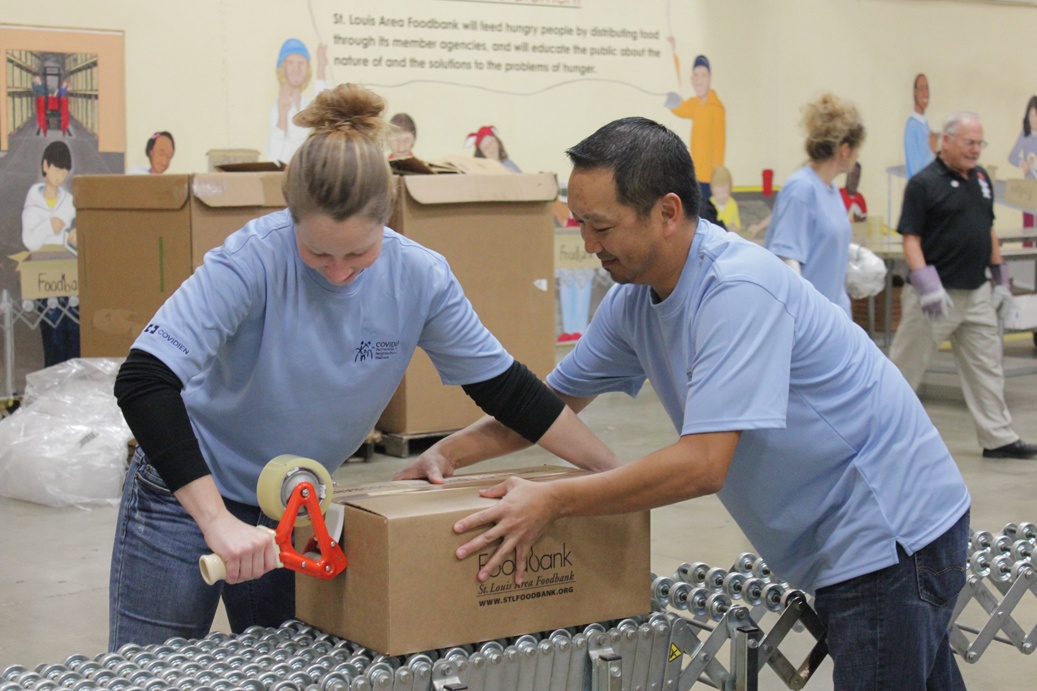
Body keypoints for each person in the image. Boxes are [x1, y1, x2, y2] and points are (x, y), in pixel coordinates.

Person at [396, 116, 972, 690]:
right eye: (581, 224)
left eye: (601, 226)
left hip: (891, 533)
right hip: (857, 536)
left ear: (668, 212)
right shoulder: (634, 302)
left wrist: (553, 500)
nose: (589, 244)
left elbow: (703, 464)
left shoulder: (735, 291)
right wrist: (451, 452)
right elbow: (546, 406)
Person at [107, 84, 618, 650]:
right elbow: (143, 380)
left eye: (358, 254)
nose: (338, 273)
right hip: (183, 494)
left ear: (388, 219)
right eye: (319, 254)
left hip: (293, 507)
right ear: (291, 218)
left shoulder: (419, 279)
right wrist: (215, 521)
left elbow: (510, 392)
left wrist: (612, 475)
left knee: (287, 670)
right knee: (149, 671)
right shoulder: (253, 259)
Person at [889, 111, 1037, 460]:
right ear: (946, 141)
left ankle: (998, 438)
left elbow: (988, 230)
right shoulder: (923, 183)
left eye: (979, 143)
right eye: (969, 143)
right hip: (934, 298)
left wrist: (1000, 280)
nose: (975, 150)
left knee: (987, 368)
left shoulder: (981, 178)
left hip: (977, 293)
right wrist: (928, 284)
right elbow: (911, 239)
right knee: (903, 368)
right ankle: (878, 434)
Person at [764, 93, 865, 316]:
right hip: (807, 325)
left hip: (834, 318)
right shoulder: (801, 188)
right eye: (857, 149)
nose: (858, 156)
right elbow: (787, 260)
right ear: (845, 149)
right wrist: (805, 319)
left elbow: (824, 243)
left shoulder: (831, 191)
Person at [21, 140, 80, 367]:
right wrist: (48, 226)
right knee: (53, 332)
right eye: (57, 168)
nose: (60, 175)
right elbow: (30, 240)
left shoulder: (69, 202)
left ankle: (74, 381)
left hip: (69, 277)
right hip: (45, 279)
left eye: (64, 170)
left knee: (73, 330)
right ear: (45, 166)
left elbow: (72, 237)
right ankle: (54, 384)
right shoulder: (33, 201)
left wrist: (73, 234)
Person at [665, 44, 725, 199]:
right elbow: (680, 107)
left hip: (709, 181)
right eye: (695, 76)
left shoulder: (716, 108)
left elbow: (719, 147)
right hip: (695, 176)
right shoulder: (696, 104)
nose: (699, 80)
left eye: (703, 75)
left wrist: (716, 181)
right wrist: (672, 53)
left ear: (709, 78)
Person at [267, 38, 328, 166]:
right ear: (282, 68)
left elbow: (321, 106)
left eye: (301, 64)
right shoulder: (278, 107)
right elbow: (274, 157)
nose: (296, 69)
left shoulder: (307, 104)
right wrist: (282, 117)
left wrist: (321, 68)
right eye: (290, 63)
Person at [1007, 95, 1037, 230]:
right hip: (1028, 189)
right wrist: (1021, 163)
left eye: (1036, 116)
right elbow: (1012, 156)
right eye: (1031, 116)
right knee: (1029, 226)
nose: (1033, 120)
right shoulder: (1025, 136)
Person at [905, 73, 938, 179]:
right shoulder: (912, 127)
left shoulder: (924, 123)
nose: (925, 93)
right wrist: (933, 150)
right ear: (915, 92)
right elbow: (916, 169)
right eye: (921, 88)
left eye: (927, 89)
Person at [708, 165, 739, 232]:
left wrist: (733, 229)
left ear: (730, 189)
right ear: (711, 188)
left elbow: (736, 225)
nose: (722, 196)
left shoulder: (732, 203)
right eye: (718, 193)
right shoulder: (709, 205)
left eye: (725, 192)